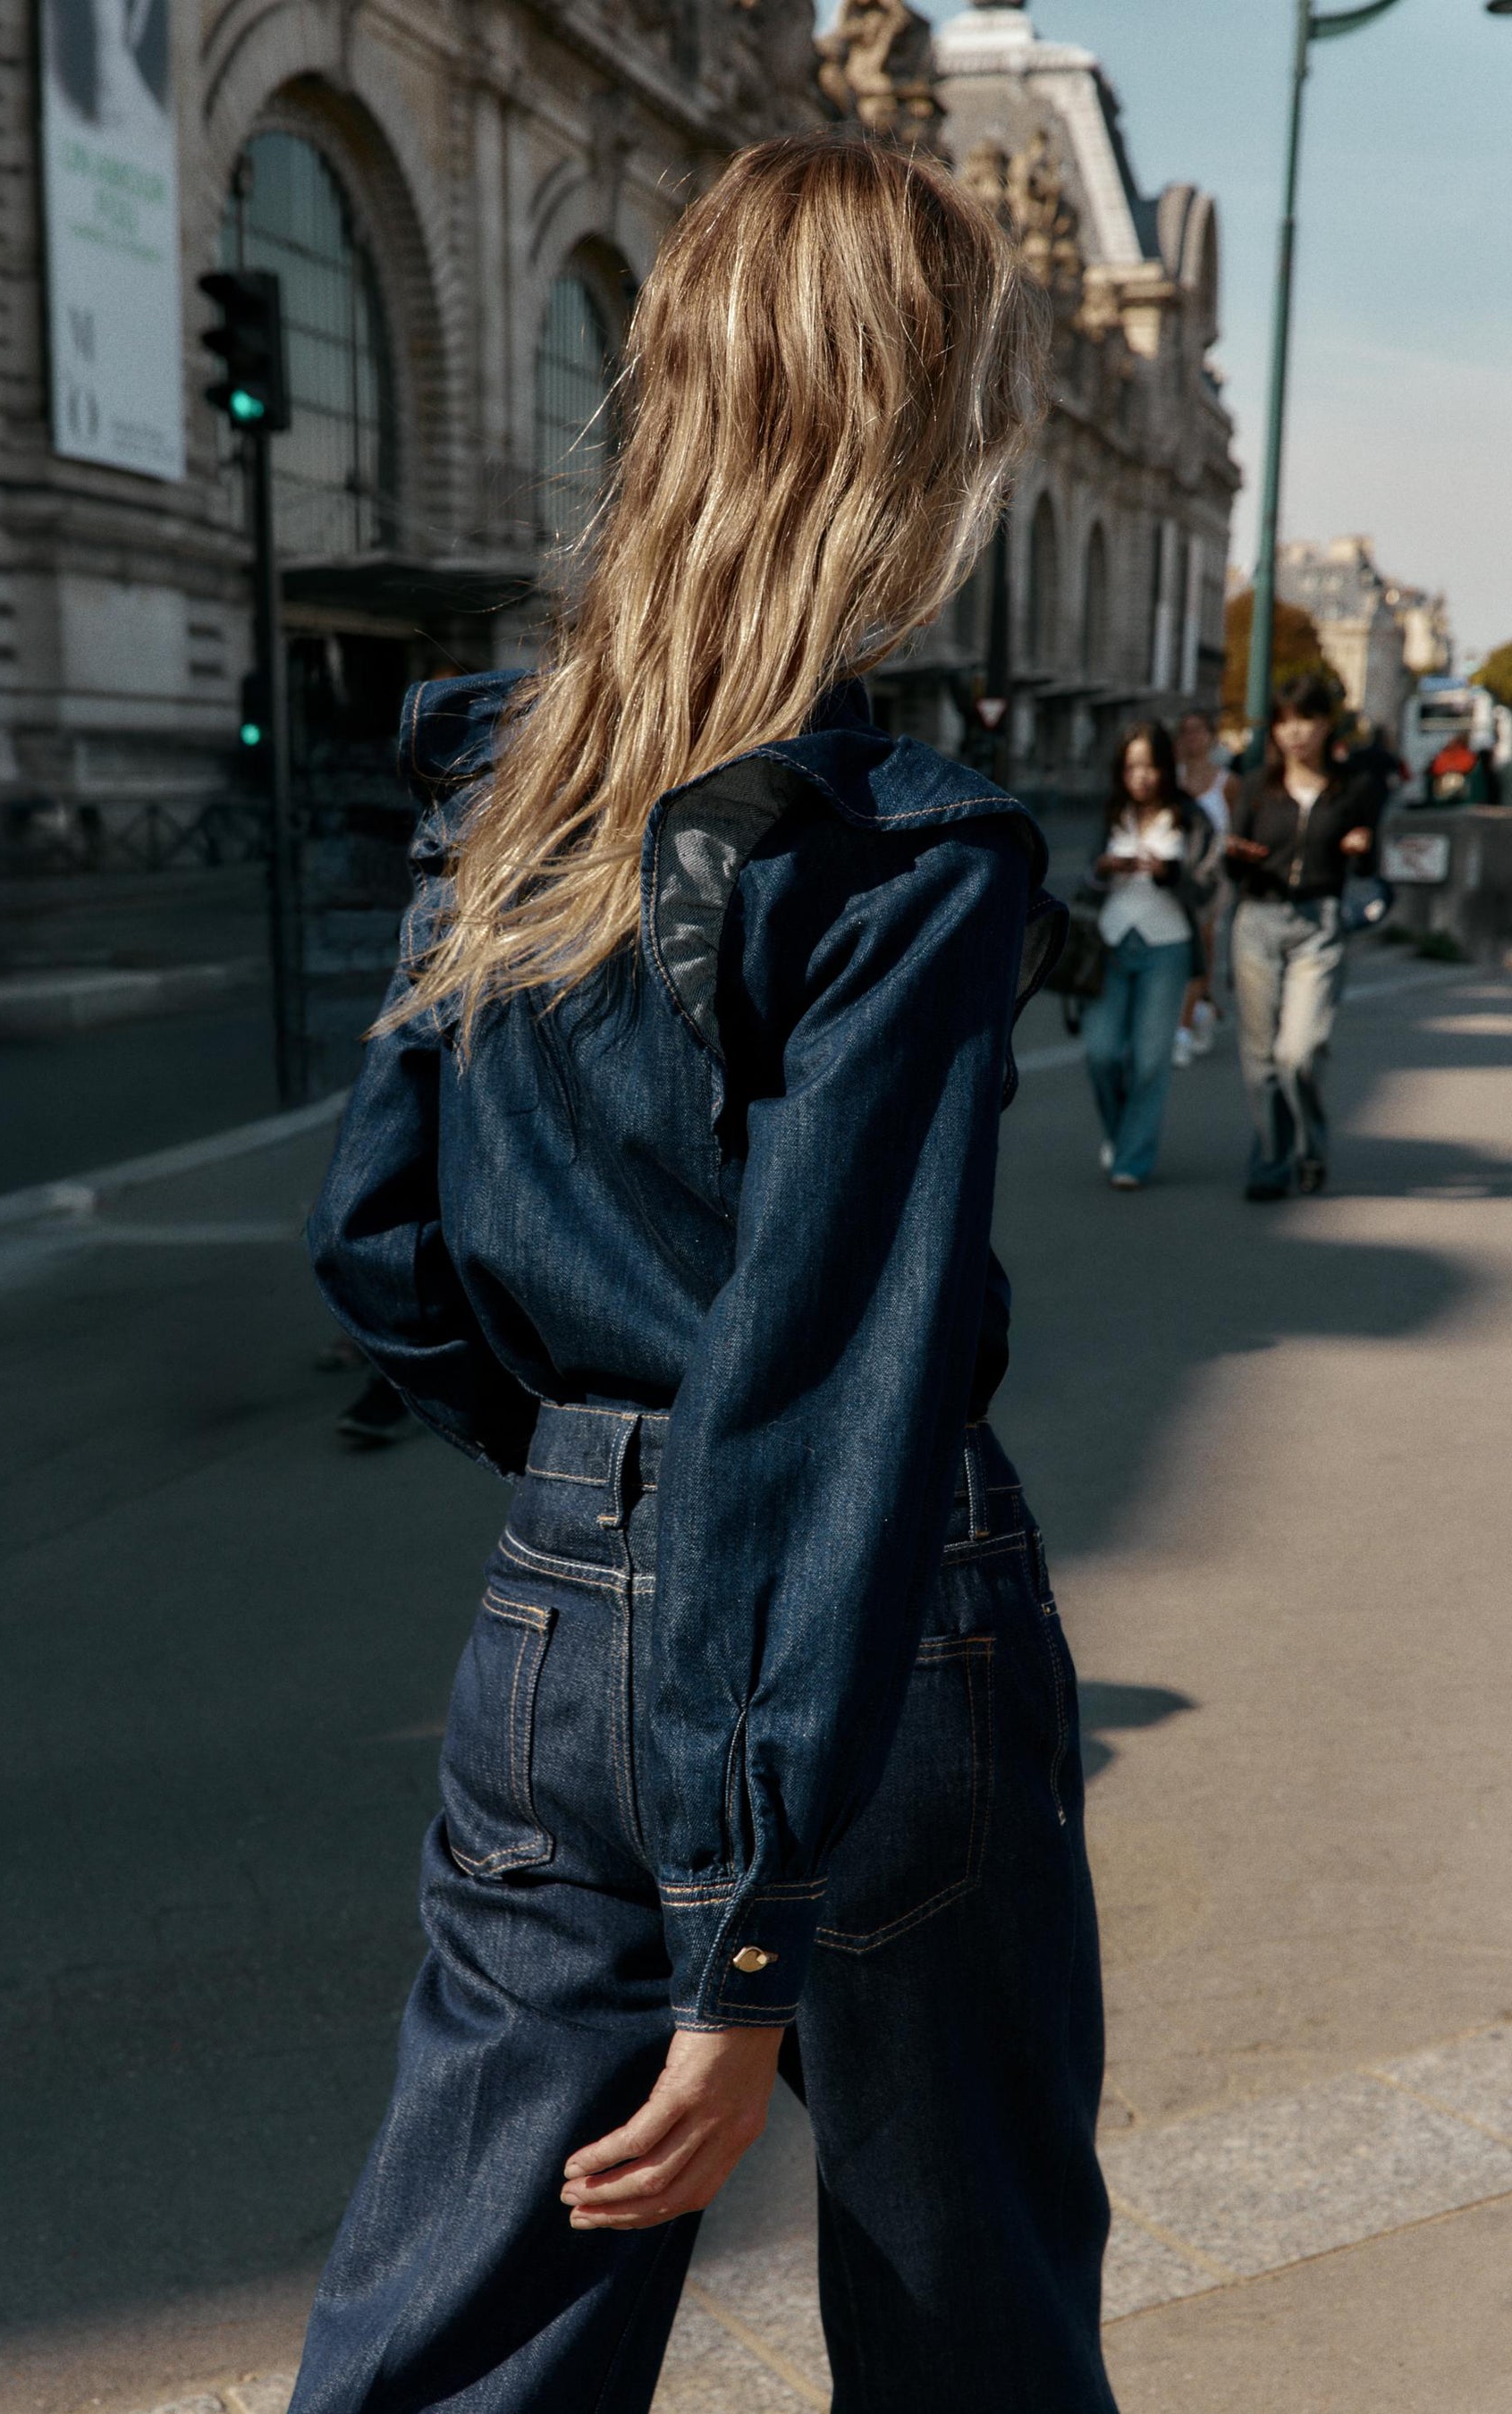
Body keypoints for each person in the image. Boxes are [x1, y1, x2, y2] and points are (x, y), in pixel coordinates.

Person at [291, 133, 1119, 2414]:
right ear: (924, 441)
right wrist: (749, 1933)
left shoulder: (502, 780)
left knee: (464, 2321)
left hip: (559, 1600)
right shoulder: (904, 855)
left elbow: (378, 1246)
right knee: (974, 2322)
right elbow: (824, 1377)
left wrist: (588, 1473)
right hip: (876, 1623)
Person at [1227, 674, 1380, 1199]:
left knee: (1300, 1050)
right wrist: (1235, 854)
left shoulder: (1352, 788)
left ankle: (1311, 1146)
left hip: (1319, 922)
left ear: (1324, 725)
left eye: (1306, 721)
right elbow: (1231, 864)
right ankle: (1271, 1160)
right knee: (1261, 1055)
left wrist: (1361, 845)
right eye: (1285, 721)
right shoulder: (1256, 786)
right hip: (1258, 919)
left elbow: (1374, 861)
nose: (1294, 733)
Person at [1081, 722, 1220, 1191]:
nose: (1141, 777)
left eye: (1150, 766)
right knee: (1101, 1051)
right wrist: (1103, 869)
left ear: (1166, 768)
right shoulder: (1111, 814)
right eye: (1131, 767)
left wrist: (1168, 872)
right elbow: (1085, 882)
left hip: (1168, 945)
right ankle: (1122, 1134)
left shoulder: (1192, 817)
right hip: (1110, 942)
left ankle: (1132, 1159)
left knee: (1149, 1059)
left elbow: (1207, 889)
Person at [1172, 706, 1235, 1064]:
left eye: (1198, 730)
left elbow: (1234, 827)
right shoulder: (1172, 778)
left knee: (1204, 939)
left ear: (1211, 736)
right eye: (1186, 731)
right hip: (1175, 871)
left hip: (1210, 874)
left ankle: (1194, 1012)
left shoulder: (1226, 781)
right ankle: (1199, 1009)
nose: (1192, 738)